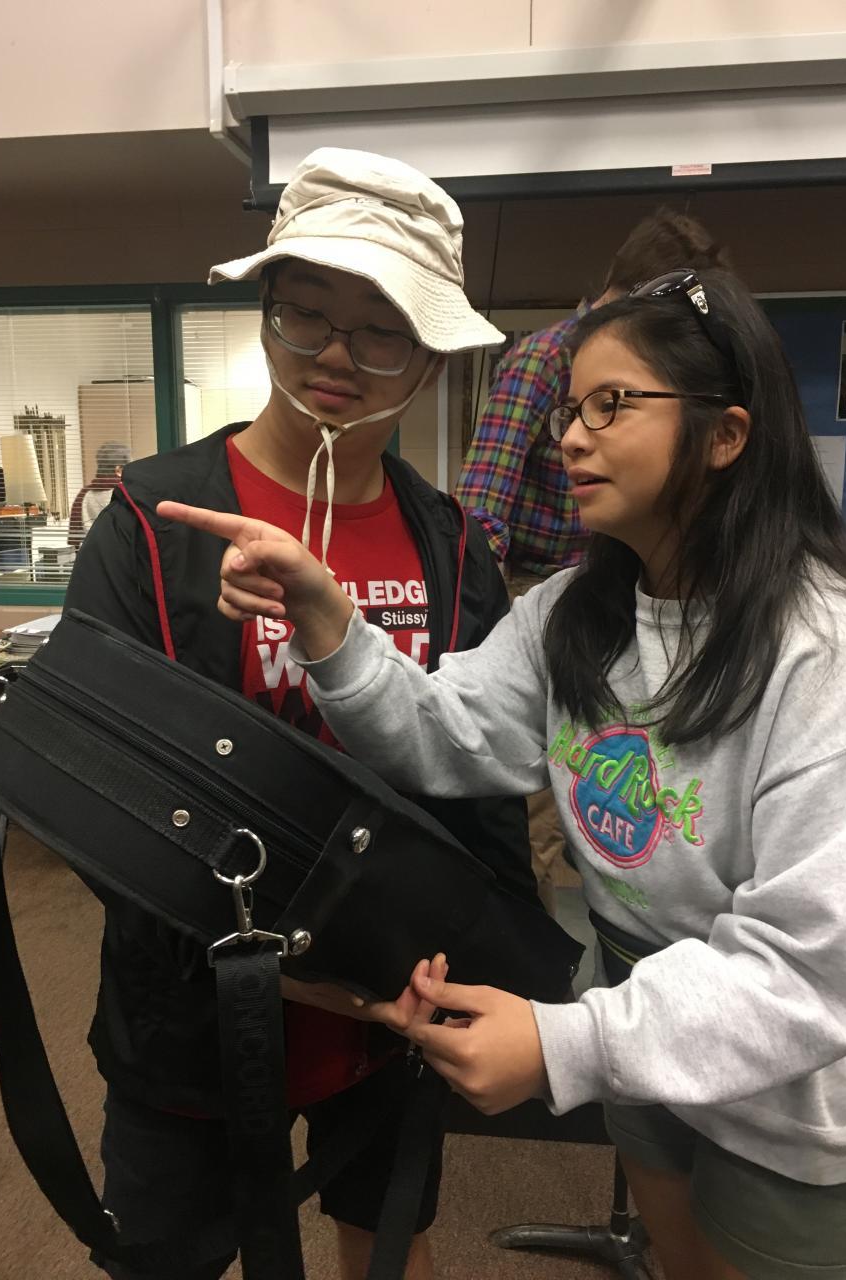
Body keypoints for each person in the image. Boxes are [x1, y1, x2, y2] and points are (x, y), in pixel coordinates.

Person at [164, 267, 846, 1280]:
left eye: (612, 405)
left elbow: (811, 969)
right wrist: (326, 613)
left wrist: (566, 1044)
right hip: (648, 1037)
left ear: (726, 435)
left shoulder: (832, 656)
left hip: (797, 1094)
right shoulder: (571, 613)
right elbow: (442, 731)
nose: (570, 439)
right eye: (569, 409)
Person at [64, 147, 535, 1280]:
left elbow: (480, 782)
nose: (335, 355)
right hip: (192, 1012)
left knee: (390, 1249)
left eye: (381, 333)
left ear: (429, 355)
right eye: (307, 313)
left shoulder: (450, 545)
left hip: (394, 1014)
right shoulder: (154, 522)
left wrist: (481, 963)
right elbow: (96, 792)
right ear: (267, 310)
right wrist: (277, 965)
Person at [455, 208, 731, 914]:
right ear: (626, 293)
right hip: (539, 592)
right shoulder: (545, 359)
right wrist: (498, 618)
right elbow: (481, 506)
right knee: (539, 825)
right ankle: (537, 953)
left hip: (616, 589)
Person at [68, 440, 131, 547]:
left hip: (92, 551)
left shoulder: (84, 494)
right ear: (119, 469)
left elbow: (74, 538)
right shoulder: (127, 492)